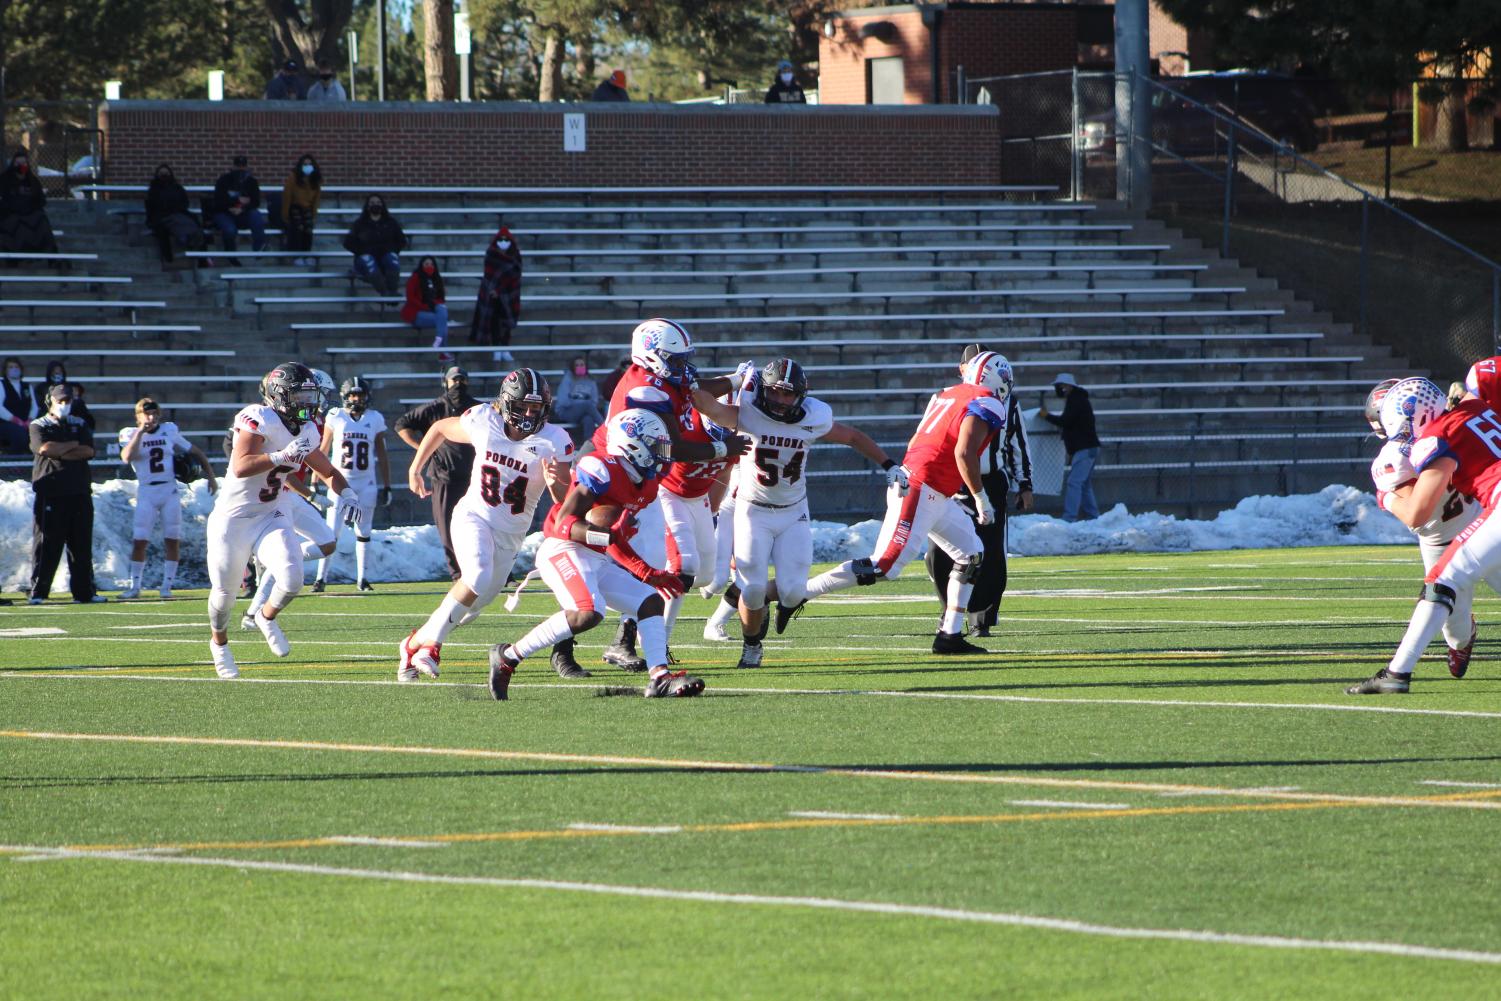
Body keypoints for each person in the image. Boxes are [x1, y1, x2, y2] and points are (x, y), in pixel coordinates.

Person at [798, 352, 1018, 653]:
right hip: (923, 488)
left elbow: (923, 441)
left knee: (972, 554)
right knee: (885, 566)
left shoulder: (946, 394)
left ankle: (949, 636)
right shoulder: (987, 400)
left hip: (931, 487)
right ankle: (803, 592)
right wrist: (981, 499)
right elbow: (965, 453)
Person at [692, 358, 899, 669]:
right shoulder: (747, 413)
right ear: (763, 390)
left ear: (801, 395)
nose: (780, 400)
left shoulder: (813, 418)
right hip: (754, 512)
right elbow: (704, 403)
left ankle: (778, 608)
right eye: (774, 392)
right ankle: (751, 646)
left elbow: (853, 436)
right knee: (752, 588)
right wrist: (733, 381)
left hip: (793, 513)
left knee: (792, 594)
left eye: (788, 394)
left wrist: (889, 464)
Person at [487, 408, 706, 701]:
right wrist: (608, 536)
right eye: (655, 446)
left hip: (595, 554)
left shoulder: (647, 484)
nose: (662, 455)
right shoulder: (601, 468)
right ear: (632, 444)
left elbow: (614, 539)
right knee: (589, 612)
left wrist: (646, 572)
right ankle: (509, 656)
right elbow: (565, 523)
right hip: (562, 548)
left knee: (649, 601)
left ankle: (659, 678)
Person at [587, 318, 750, 671]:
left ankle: (624, 635)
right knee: (644, 563)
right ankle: (625, 640)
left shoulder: (661, 379)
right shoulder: (645, 392)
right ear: (650, 356)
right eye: (674, 359)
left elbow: (694, 387)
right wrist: (722, 448)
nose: (682, 367)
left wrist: (735, 381)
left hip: (645, 475)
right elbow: (671, 449)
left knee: (685, 571)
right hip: (621, 476)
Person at [401, 369, 583, 683]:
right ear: (507, 402)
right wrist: (417, 466)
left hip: (511, 534)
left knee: (474, 605)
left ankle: (412, 644)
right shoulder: (484, 420)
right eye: (524, 405)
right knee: (476, 576)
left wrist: (555, 483)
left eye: (536, 407)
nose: (529, 414)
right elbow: (440, 427)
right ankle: (431, 648)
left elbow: (565, 501)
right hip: (474, 516)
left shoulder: (555, 440)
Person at [1349, 376, 1501, 694]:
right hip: (1473, 519)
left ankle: (1396, 674)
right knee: (1450, 590)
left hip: (1488, 509)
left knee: (1442, 581)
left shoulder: (1435, 438)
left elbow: (1417, 514)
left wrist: (1385, 497)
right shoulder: (1472, 405)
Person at [207, 363, 357, 679]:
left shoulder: (307, 429)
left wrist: (348, 494)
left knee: (292, 578)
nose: (308, 402)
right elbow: (240, 466)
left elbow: (327, 471)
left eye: (310, 395)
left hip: (269, 514)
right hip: (232, 520)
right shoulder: (258, 417)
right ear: (280, 395)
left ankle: (266, 615)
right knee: (224, 596)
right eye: (301, 395)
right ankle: (219, 644)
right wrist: (281, 456)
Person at [924, 345, 1033, 637]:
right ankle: (950, 613)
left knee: (992, 552)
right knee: (940, 553)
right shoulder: (945, 397)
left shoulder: (1006, 400)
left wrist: (1025, 483)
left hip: (989, 480)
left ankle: (981, 616)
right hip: (950, 482)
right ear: (963, 369)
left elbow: (1017, 442)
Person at [118, 398, 218, 599]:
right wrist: (140, 432)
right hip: (146, 491)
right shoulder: (130, 434)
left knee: (172, 540)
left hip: (169, 490)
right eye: (147, 414)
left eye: (155, 413)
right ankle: (134, 587)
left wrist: (211, 476)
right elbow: (126, 457)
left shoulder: (168, 431)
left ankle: (166, 587)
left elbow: (196, 451)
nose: (152, 417)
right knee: (140, 540)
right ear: (138, 416)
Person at [395, 366, 480, 582]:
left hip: (475, 477)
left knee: (483, 525)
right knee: (447, 526)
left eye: (462, 380)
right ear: (446, 383)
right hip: (444, 476)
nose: (458, 384)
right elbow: (402, 424)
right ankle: (458, 574)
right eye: (454, 380)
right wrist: (423, 449)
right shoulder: (435, 408)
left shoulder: (477, 409)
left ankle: (491, 571)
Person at [28, 383, 104, 604]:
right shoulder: (38, 424)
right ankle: (39, 591)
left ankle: (84, 592)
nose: (63, 405)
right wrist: (72, 446)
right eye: (59, 400)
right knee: (47, 544)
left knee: (81, 545)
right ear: (50, 400)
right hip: (51, 491)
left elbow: (88, 450)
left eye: (67, 401)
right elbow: (44, 449)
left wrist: (61, 450)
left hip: (79, 490)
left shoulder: (79, 423)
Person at [314, 377, 391, 591]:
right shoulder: (335, 416)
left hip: (366, 483)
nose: (357, 399)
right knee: (331, 532)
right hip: (339, 482)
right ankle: (321, 578)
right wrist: (315, 480)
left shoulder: (375, 418)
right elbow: (322, 450)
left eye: (361, 395)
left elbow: (382, 455)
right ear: (345, 397)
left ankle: (362, 579)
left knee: (364, 532)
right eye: (353, 395)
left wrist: (387, 485)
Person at [1040, 372, 1100, 522]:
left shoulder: (1076, 400)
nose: (1060, 389)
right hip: (1088, 448)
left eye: (1062, 386)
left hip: (1085, 448)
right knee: (1084, 484)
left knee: (1074, 482)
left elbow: (1065, 421)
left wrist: (1046, 416)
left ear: (1069, 386)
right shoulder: (1077, 399)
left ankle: (1069, 518)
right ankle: (1093, 517)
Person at [470, 221, 521, 361]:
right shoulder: (491, 255)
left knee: (507, 321)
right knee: (494, 321)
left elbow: (515, 276)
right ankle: (496, 347)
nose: (503, 242)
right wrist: (494, 290)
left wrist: (501, 289)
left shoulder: (515, 256)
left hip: (509, 294)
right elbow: (489, 275)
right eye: (501, 240)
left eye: (506, 240)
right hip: (492, 294)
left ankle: (505, 347)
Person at [0, 150, 60, 256]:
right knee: (16, 225)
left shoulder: (33, 181)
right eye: (18, 164)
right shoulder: (5, 180)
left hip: (30, 214)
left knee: (41, 220)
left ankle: (50, 256)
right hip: (11, 214)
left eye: (23, 163)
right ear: (13, 164)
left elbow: (40, 200)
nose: (21, 166)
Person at [343, 194, 406, 295]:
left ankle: (393, 290)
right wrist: (362, 252)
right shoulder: (359, 224)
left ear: (383, 205)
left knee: (392, 258)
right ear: (367, 206)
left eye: (378, 203)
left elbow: (402, 241)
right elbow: (348, 243)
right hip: (366, 258)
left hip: (385, 257)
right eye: (372, 203)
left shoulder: (391, 223)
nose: (375, 205)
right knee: (368, 260)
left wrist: (391, 250)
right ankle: (384, 292)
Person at [143, 164, 205, 266]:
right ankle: (169, 257)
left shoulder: (177, 188)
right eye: (162, 173)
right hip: (161, 217)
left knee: (193, 223)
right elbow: (152, 206)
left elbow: (184, 202)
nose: (164, 175)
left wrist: (177, 209)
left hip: (179, 213)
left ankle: (201, 256)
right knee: (165, 228)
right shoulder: (154, 190)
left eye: (166, 173)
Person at [210, 155, 268, 255]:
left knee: (257, 216)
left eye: (243, 165)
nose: (241, 168)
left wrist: (243, 209)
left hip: (243, 213)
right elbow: (218, 201)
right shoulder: (223, 180)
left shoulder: (252, 182)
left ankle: (259, 248)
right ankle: (231, 255)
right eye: (238, 165)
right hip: (225, 213)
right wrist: (235, 201)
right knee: (229, 230)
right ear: (233, 166)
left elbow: (255, 201)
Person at [402, 256, 450, 357]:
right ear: (422, 265)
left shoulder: (437, 278)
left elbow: (441, 299)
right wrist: (426, 307)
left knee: (442, 310)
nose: (429, 266)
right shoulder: (415, 278)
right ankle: (443, 349)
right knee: (442, 320)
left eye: (431, 264)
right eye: (426, 264)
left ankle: (439, 340)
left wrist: (433, 304)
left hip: (432, 310)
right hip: (417, 312)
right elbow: (410, 298)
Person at [281, 154, 322, 267]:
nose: (307, 166)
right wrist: (285, 214)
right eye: (305, 164)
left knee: (308, 229)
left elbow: (316, 199)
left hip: (307, 208)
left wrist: (314, 214)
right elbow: (287, 195)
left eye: (310, 164)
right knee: (298, 228)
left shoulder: (315, 180)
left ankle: (306, 254)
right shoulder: (293, 177)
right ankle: (296, 255)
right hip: (295, 206)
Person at [552, 355, 604, 442]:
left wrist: (582, 406)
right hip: (566, 411)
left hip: (585, 411)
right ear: (572, 367)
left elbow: (594, 401)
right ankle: (605, 428)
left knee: (589, 419)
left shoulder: (591, 380)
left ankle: (587, 446)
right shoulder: (568, 379)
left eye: (582, 365)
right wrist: (580, 404)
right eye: (577, 365)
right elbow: (563, 401)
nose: (580, 367)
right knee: (587, 405)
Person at [31, 360, 93, 430]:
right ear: (50, 372)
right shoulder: (41, 388)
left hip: (69, 419)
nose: (57, 373)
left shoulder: (70, 387)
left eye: (59, 371)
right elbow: (40, 405)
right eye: (54, 371)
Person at [1, 356, 35, 454]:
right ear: (5, 370)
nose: (14, 369)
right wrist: (15, 420)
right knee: (18, 433)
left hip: (26, 421)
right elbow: (0, 408)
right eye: (10, 367)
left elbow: (34, 406)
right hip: (6, 423)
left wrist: (29, 419)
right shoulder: (1, 384)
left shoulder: (27, 386)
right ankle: (15, 462)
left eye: (16, 367)